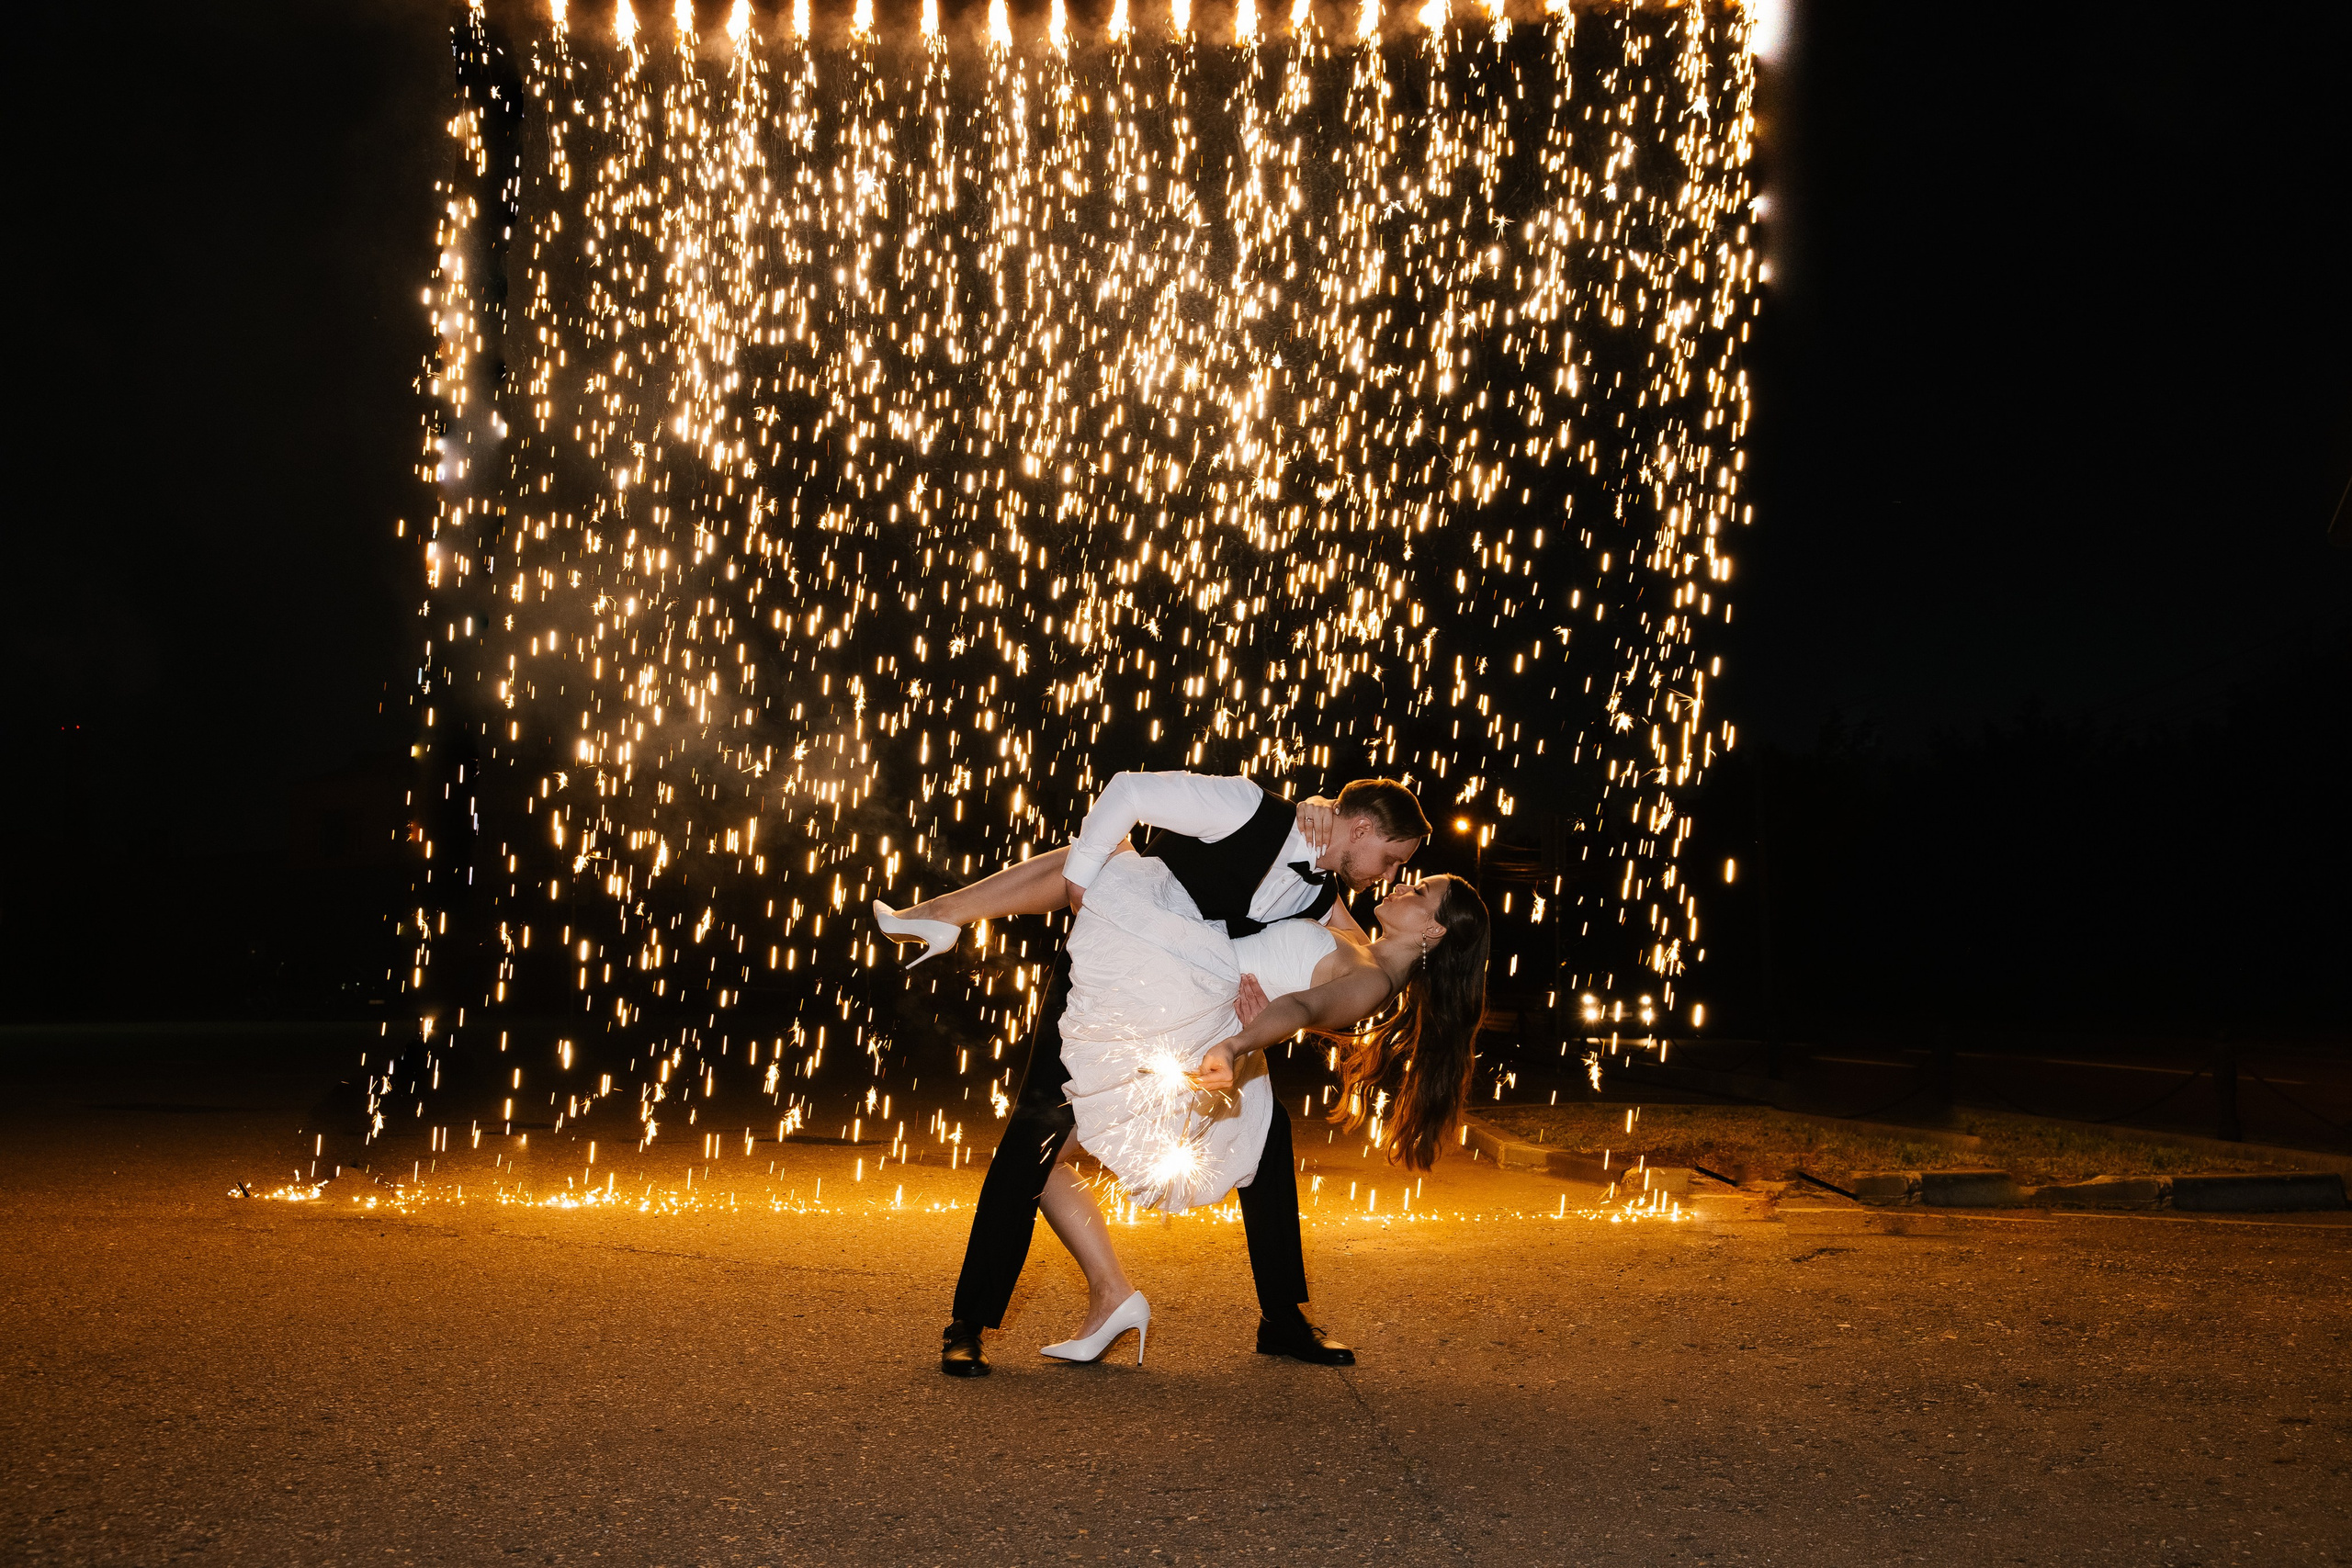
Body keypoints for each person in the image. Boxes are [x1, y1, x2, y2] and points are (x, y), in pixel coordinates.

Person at [872, 773, 1478, 1376]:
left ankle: (1279, 1317)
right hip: (1111, 976)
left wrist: (1263, 1019)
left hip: (1188, 1013)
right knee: (1036, 1132)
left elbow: (1343, 991)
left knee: (1267, 1136)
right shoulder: (1250, 809)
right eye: (1395, 859)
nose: (1392, 875)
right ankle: (969, 1325)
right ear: (1365, 827)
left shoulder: (1321, 897)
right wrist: (1082, 883)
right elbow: (1129, 791)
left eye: (1410, 877)